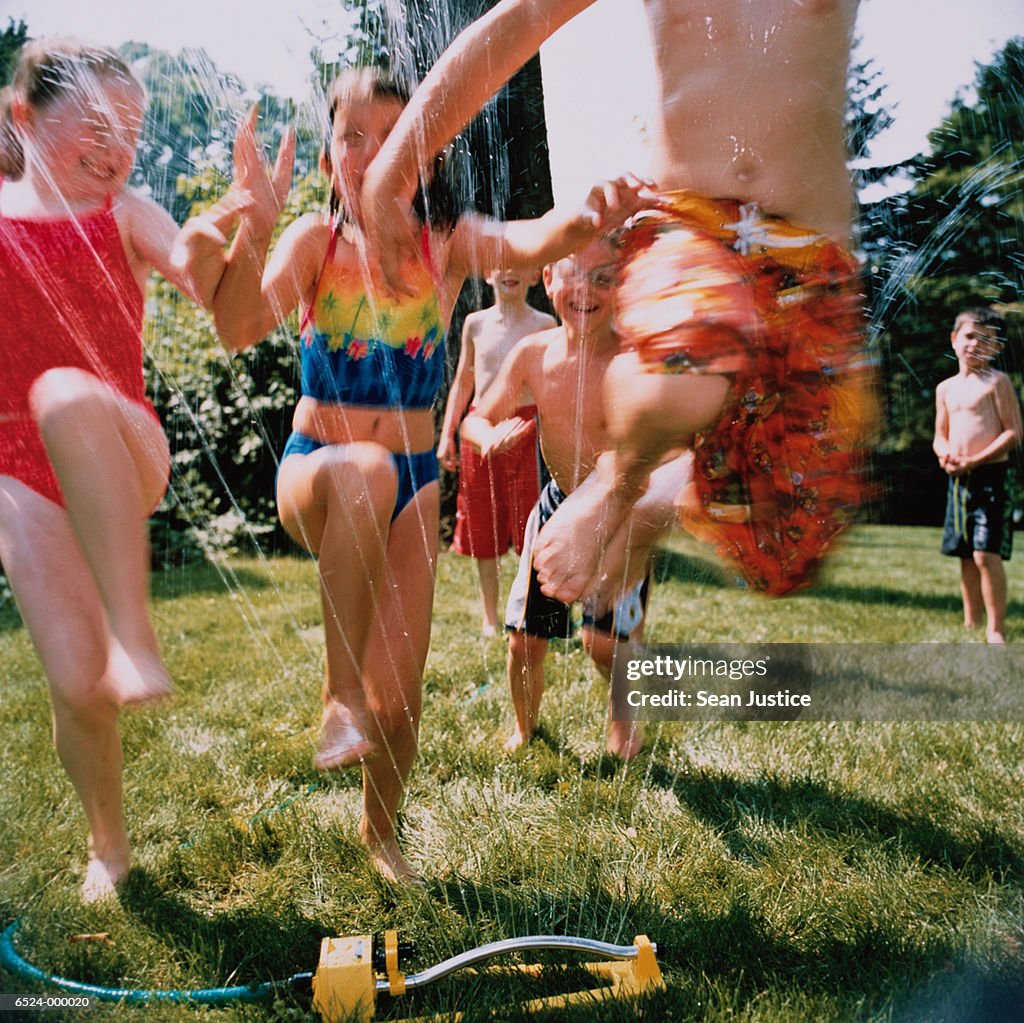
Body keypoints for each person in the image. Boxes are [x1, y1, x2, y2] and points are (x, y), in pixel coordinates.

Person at [212, 68, 652, 880]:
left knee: (404, 693)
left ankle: (382, 832)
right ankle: (336, 694)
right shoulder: (316, 240)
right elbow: (236, 325)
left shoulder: (446, 245)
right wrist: (257, 225)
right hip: (318, 468)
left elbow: (533, 240)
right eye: (352, 136)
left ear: (425, 155)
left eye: (392, 138)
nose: (371, 154)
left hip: (414, 478)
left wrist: (589, 214)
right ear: (327, 156)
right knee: (360, 471)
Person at [361, 0, 876, 607]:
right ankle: (618, 483)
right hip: (694, 228)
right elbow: (524, 17)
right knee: (690, 355)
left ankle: (667, 488)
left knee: (785, 553)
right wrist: (396, 165)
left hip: (812, 256)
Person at [0, 39, 241, 901]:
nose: (116, 148)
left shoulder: (129, 211)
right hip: (19, 473)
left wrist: (216, 237)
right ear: (23, 116)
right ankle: (109, 845)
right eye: (96, 125)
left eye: (131, 132)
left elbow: (203, 281)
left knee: (65, 392)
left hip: (123, 435)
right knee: (75, 687)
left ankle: (136, 637)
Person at [462, 238, 684, 760]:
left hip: (619, 513)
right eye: (573, 274)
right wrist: (484, 437)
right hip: (556, 506)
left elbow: (674, 444)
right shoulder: (533, 354)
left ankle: (625, 727)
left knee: (603, 643)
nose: (586, 289)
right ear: (548, 280)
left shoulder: (635, 356)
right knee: (523, 641)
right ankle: (524, 729)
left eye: (604, 277)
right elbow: (477, 415)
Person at [439, 267, 554, 636]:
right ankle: (490, 616)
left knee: (529, 524)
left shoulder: (544, 323)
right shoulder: (476, 323)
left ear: (534, 276)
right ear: (488, 274)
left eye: (518, 265)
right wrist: (447, 435)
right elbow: (463, 382)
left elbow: (552, 381)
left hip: (526, 427)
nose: (509, 271)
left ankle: (525, 610)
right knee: (482, 523)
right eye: (500, 264)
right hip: (479, 430)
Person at [933, 307, 1022, 644]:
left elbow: (1014, 432)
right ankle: (970, 622)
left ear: (998, 348)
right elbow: (939, 435)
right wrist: (945, 454)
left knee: (986, 553)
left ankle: (995, 628)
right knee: (966, 553)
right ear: (955, 340)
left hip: (991, 477)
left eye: (986, 340)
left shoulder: (997, 382)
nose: (976, 345)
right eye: (970, 336)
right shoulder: (946, 389)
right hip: (959, 479)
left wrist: (975, 460)